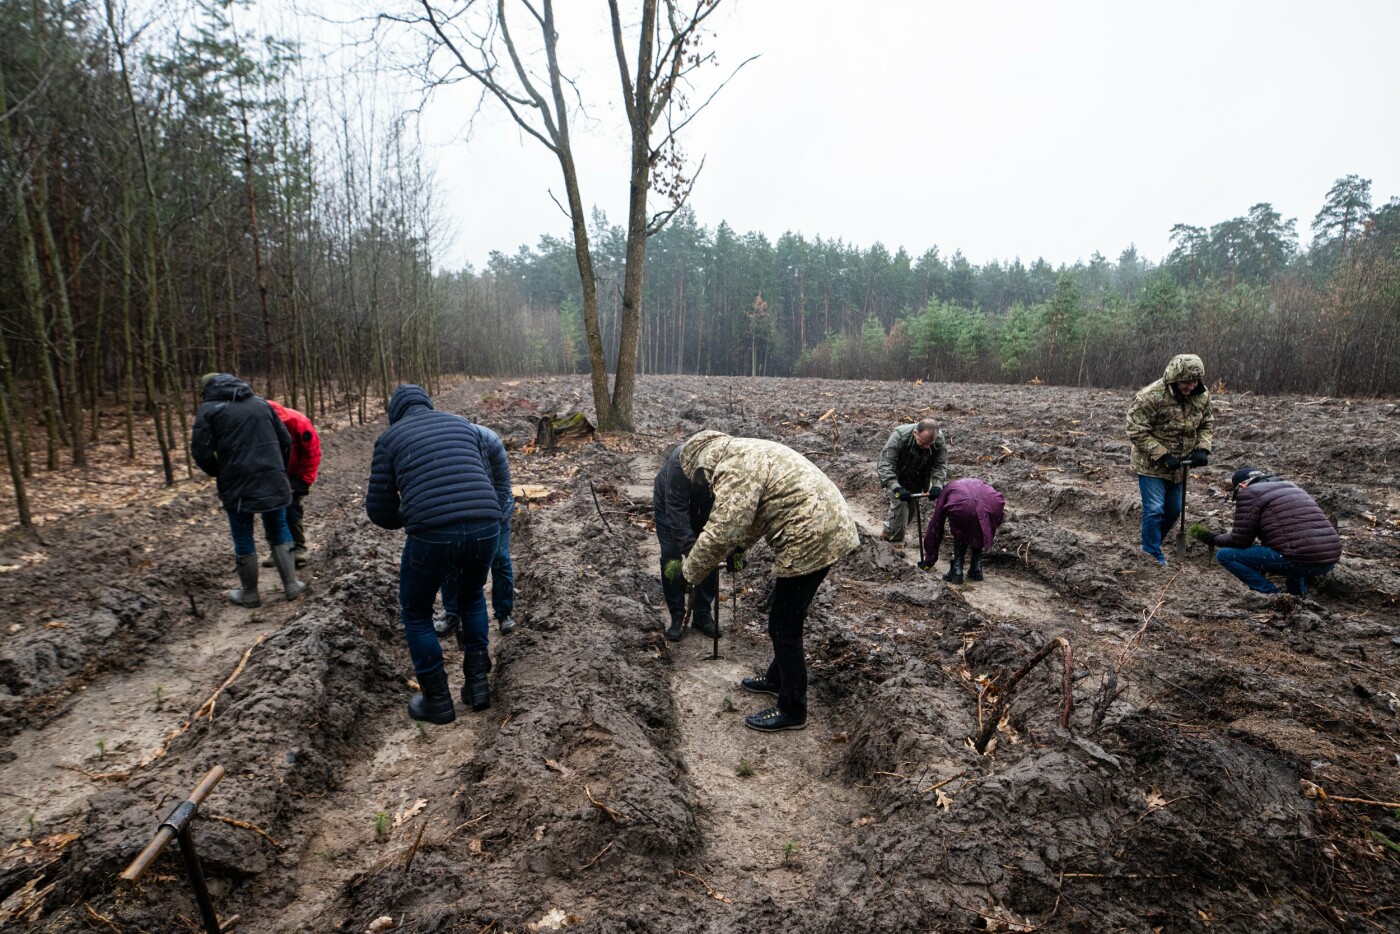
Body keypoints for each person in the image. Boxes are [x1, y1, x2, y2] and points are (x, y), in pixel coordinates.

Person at [680, 430, 859, 733]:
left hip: (811, 534)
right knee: (786, 616)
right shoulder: (745, 451)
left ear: (702, 462)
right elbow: (757, 516)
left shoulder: (732, 465)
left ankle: (793, 709)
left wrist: (690, 572)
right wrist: (738, 549)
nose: (700, 483)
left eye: (697, 477)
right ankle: (777, 680)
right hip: (826, 525)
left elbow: (723, 528)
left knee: (783, 624)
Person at [366, 385, 512, 724]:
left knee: (416, 612)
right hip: (485, 523)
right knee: (473, 596)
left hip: (432, 533)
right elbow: (481, 477)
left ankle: (438, 701)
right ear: (429, 405)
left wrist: (415, 513)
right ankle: (478, 687)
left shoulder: (391, 439)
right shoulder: (462, 424)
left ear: (395, 413)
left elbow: (379, 511)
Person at [191, 373, 307, 607]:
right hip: (272, 478)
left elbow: (200, 451)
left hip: (237, 482)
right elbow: (285, 441)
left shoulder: (209, 410)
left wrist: (219, 471)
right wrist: (278, 469)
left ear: (206, 390)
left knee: (243, 535)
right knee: (278, 527)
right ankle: (291, 585)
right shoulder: (261, 404)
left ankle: (250, 594)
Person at [1193, 467, 1341, 597]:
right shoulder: (1292, 487)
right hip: (1329, 560)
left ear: (1242, 485)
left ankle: (1271, 595)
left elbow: (1240, 540)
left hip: (1299, 560)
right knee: (1293, 548)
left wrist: (1212, 538)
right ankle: (1297, 596)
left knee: (1225, 555)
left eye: (1236, 493)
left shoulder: (1249, 492)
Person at [1126, 353, 1213, 565]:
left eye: (1195, 381)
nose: (1191, 386)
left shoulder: (1201, 395)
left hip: (1180, 465)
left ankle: (1150, 544)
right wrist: (1162, 454)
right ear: (1174, 378)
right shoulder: (1150, 396)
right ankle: (1152, 554)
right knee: (1155, 509)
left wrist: (1202, 448)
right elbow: (1135, 430)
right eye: (1186, 381)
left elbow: (1206, 422)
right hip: (1151, 464)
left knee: (1174, 509)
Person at [436, 455, 517, 638]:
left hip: (497, 511)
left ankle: (504, 614)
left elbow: (503, 489)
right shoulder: (450, 447)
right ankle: (452, 613)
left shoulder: (490, 442)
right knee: (450, 561)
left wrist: (493, 523)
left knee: (500, 557)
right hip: (460, 512)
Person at [653, 442, 719, 642]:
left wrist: (735, 548)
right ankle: (677, 614)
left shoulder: (726, 466)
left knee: (709, 548)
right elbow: (676, 513)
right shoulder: (678, 465)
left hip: (704, 507)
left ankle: (702, 613)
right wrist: (692, 555)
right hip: (670, 505)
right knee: (671, 552)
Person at [260, 399, 320, 569]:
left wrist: (306, 481)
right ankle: (276, 549)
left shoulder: (299, 422)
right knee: (269, 511)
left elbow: (312, 453)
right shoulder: (257, 425)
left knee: (292, 509)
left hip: (295, 473)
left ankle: (299, 547)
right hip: (270, 472)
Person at [919, 478, 1006, 585]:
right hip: (992, 503)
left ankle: (957, 570)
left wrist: (930, 559)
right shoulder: (977, 482)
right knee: (978, 525)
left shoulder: (947, 491)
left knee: (960, 529)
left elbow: (936, 525)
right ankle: (976, 567)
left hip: (964, 504)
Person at [876, 417, 949, 545]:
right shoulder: (899, 436)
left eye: (929, 444)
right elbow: (885, 463)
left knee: (911, 509)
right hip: (897, 475)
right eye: (923, 442)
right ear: (915, 432)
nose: (927, 447)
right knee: (900, 506)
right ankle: (896, 543)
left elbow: (940, 465)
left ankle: (889, 530)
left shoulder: (938, 439)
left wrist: (936, 485)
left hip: (917, 476)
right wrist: (896, 487)